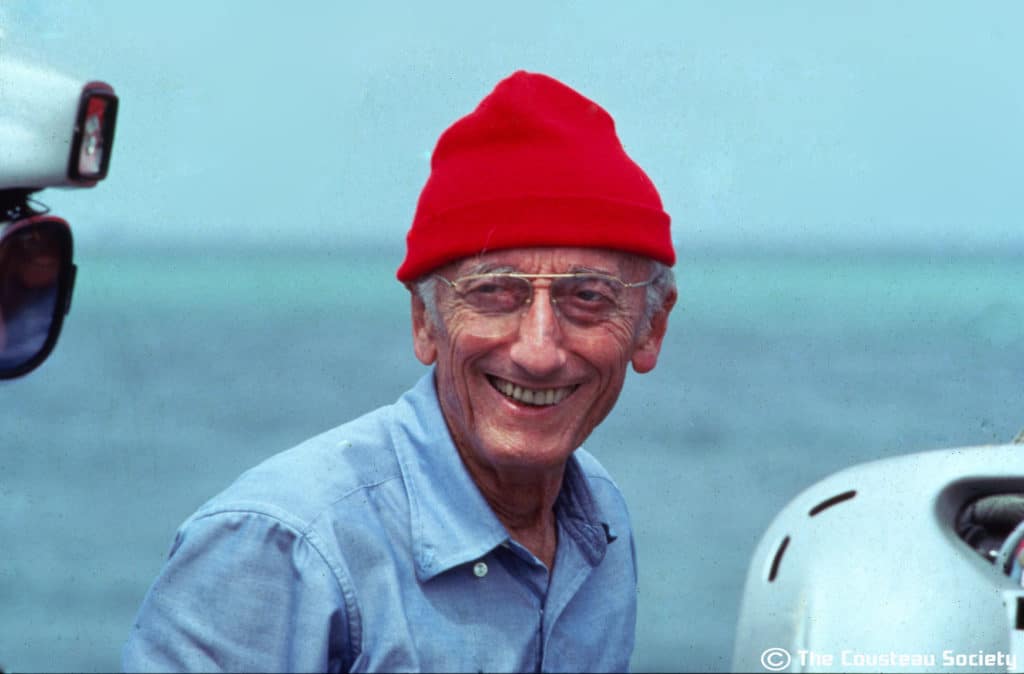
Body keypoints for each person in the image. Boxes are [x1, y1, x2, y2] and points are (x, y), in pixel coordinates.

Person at [122, 70, 677, 672]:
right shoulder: (286, 547)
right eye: (493, 293)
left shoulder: (597, 518)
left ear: (651, 327)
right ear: (424, 322)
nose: (538, 351)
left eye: (588, 298)